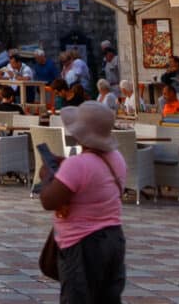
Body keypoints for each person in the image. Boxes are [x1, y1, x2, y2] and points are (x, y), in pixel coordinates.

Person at [39, 102, 126, 303]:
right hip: (113, 237)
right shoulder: (116, 158)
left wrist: (46, 176)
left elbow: (49, 200)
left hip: (83, 243)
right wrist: (65, 166)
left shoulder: (78, 164)